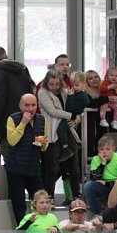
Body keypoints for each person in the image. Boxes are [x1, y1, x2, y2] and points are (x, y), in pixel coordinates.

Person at [37, 69, 81, 203]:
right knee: (52, 168)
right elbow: (53, 111)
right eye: (52, 84)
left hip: (67, 130)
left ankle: (76, 197)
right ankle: (49, 198)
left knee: (74, 166)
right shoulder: (42, 93)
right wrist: (72, 116)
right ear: (46, 83)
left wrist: (77, 118)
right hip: (52, 133)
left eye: (57, 84)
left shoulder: (64, 91)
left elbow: (73, 105)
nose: (55, 87)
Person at [4, 94, 48, 224]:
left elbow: (45, 146)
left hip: (34, 167)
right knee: (18, 202)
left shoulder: (42, 120)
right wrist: (23, 123)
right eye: (27, 105)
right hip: (15, 168)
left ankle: (41, 225)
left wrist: (43, 143)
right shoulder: (13, 119)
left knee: (41, 199)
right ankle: (22, 229)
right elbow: (12, 141)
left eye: (33, 105)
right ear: (20, 106)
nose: (30, 108)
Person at [0, 46, 34, 142]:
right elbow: (31, 92)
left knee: (10, 154)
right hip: (25, 121)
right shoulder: (22, 70)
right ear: (6, 55)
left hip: (7, 125)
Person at [82, 135, 117, 216]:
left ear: (113, 149)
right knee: (88, 186)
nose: (104, 152)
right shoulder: (96, 159)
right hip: (102, 188)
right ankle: (97, 214)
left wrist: (107, 183)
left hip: (116, 187)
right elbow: (94, 177)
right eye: (102, 149)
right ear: (98, 150)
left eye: (108, 149)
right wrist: (103, 163)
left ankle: (115, 214)